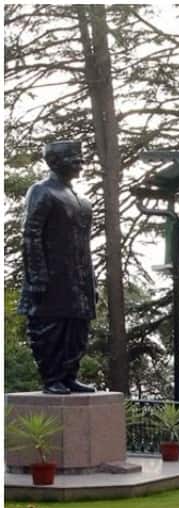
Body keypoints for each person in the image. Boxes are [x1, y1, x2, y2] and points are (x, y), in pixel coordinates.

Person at [17, 141, 97, 394]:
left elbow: (84, 246)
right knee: (50, 329)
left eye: (81, 158)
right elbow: (30, 235)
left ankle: (69, 375)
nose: (80, 163)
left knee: (77, 330)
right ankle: (52, 378)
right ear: (54, 161)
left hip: (78, 280)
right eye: (74, 158)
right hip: (51, 278)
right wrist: (37, 276)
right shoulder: (41, 191)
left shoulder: (83, 201)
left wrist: (91, 282)